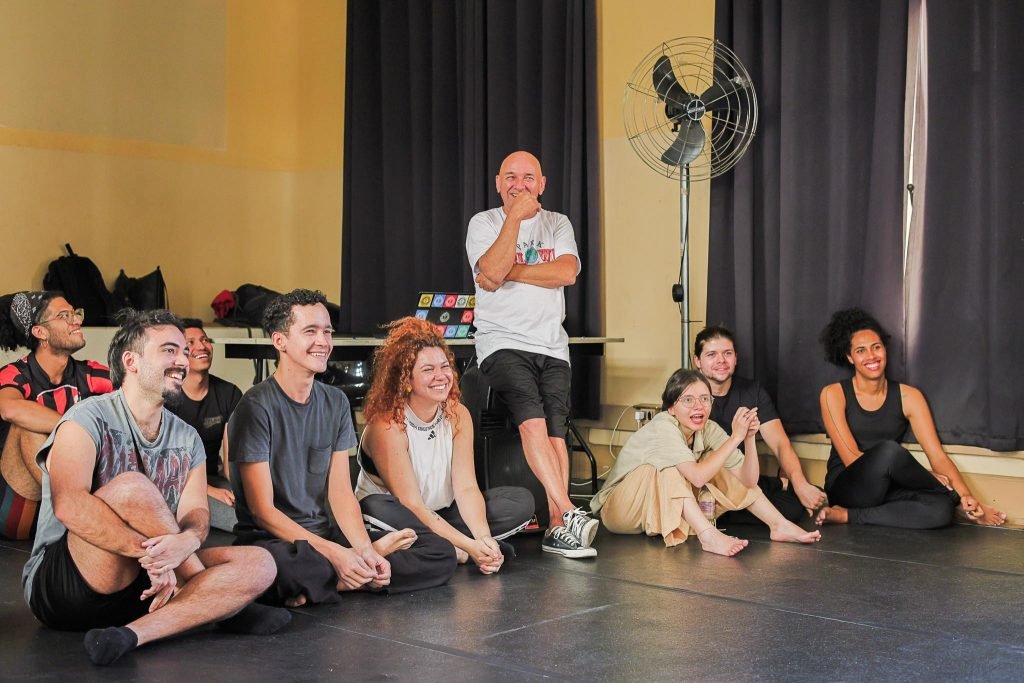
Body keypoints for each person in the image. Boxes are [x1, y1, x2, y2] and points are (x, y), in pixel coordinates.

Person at [21, 309, 289, 667]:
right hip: (67, 585)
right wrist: (154, 557)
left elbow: (196, 514)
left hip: (146, 584)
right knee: (132, 488)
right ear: (131, 361)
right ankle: (220, 608)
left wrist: (188, 542)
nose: (183, 360)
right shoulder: (85, 419)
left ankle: (132, 634)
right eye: (169, 350)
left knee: (261, 564)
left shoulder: (187, 437)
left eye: (184, 351)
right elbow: (69, 506)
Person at [228, 289, 456, 607]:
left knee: (441, 554)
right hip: (275, 541)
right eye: (310, 331)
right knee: (284, 568)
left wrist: (362, 550)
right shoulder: (255, 407)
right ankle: (338, 577)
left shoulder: (335, 402)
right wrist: (339, 554)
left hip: (324, 533)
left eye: (327, 332)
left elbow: (340, 493)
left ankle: (334, 582)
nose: (323, 341)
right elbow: (262, 513)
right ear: (280, 341)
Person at [465, 150, 597, 559]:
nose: (518, 184)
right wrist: (514, 220)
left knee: (557, 432)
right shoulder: (484, 223)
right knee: (532, 422)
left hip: (552, 345)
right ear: (497, 182)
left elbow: (567, 272)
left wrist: (506, 272)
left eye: (527, 178)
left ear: (542, 184)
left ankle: (559, 528)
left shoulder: (558, 223)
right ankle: (572, 510)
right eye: (510, 177)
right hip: (502, 342)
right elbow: (487, 267)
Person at [356, 317, 534, 575]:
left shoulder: (458, 414)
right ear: (406, 379)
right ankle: (450, 546)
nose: (441, 376)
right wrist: (470, 546)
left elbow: (466, 487)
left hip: (442, 513)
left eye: (444, 367)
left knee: (520, 502)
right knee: (377, 507)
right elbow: (412, 504)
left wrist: (482, 539)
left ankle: (441, 546)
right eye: (428, 370)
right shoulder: (387, 425)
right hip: (398, 515)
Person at [591, 369, 821, 556]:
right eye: (688, 400)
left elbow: (748, 480)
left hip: (655, 506)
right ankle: (707, 535)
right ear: (671, 408)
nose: (698, 406)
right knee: (670, 467)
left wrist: (748, 439)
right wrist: (735, 438)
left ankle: (777, 524)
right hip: (620, 510)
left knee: (720, 462)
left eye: (704, 399)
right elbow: (697, 477)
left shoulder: (708, 428)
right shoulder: (663, 425)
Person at [817, 308, 1007, 528]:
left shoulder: (910, 397)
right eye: (861, 351)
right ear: (850, 357)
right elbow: (852, 458)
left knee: (941, 510)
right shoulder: (833, 394)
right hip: (849, 486)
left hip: (888, 486)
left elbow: (938, 457)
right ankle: (954, 500)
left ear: (885, 349)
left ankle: (848, 516)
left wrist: (966, 495)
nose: (871, 356)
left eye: (876, 347)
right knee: (889, 451)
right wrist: (927, 476)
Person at [0, 291, 113, 540]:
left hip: (67, 502)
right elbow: (9, 408)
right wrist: (78, 429)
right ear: (40, 333)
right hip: (17, 510)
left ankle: (85, 506)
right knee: (27, 424)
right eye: (64, 316)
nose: (76, 320)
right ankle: (81, 505)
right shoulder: (15, 373)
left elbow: (133, 396)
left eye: (75, 313)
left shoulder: (90, 373)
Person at [693, 325, 827, 523]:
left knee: (795, 506)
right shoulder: (687, 394)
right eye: (711, 354)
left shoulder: (752, 391)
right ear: (697, 361)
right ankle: (766, 492)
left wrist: (800, 485)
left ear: (736, 358)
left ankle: (772, 489)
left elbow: (780, 444)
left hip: (744, 478)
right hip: (707, 485)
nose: (721, 360)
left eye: (727, 353)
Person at [167, 319, 241, 530]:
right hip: (176, 484)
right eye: (190, 342)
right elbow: (166, 467)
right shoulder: (167, 397)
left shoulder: (229, 394)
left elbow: (230, 463)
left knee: (255, 511)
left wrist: (246, 491)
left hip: (213, 478)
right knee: (237, 521)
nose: (201, 346)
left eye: (205, 339)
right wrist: (208, 491)